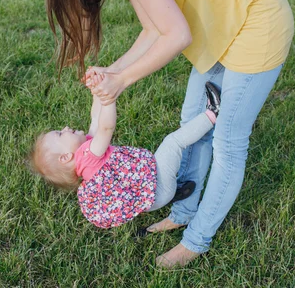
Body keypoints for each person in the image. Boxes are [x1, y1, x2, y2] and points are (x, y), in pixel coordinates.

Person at [32, 0, 294, 267]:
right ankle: (185, 211)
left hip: (258, 22)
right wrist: (113, 71)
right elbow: (153, 31)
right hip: (226, 27)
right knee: (192, 120)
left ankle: (196, 241)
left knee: (228, 142)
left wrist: (121, 82)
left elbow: (177, 36)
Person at [28, 80, 222, 229]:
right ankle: (213, 114)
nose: (65, 127)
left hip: (152, 198)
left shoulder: (86, 157)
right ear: (65, 157)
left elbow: (95, 119)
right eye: (60, 133)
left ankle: (177, 193)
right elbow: (105, 127)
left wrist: (97, 92)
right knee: (172, 144)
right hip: (159, 189)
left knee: (162, 161)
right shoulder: (88, 155)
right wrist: (109, 98)